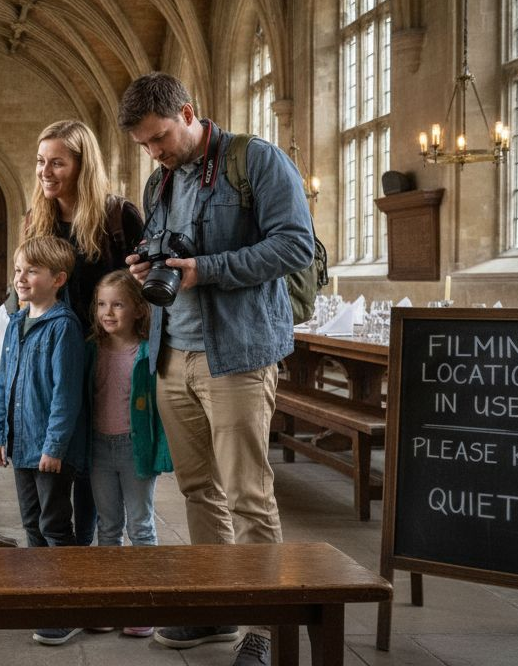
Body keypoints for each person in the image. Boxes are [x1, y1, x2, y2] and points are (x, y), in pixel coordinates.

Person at [119, 72, 315, 666]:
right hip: (172, 355)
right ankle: (215, 608)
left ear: (188, 111)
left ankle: (262, 628)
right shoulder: (159, 184)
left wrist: (206, 269)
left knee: (248, 495)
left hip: (238, 355)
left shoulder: (253, 160)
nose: (155, 153)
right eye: (145, 146)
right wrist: (145, 266)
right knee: (198, 490)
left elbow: (294, 246)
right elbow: (167, 253)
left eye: (160, 138)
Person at [25, 119, 146, 546]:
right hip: (54, 355)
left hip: (105, 357)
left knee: (96, 457)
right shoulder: (36, 219)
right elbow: (23, 286)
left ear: (82, 165)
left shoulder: (119, 215)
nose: (45, 171)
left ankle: (91, 546)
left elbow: (143, 288)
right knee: (57, 455)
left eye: (56, 162)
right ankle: (63, 554)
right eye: (41, 162)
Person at [0, 235, 88, 647]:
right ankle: (41, 593)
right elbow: (3, 383)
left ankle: (66, 608)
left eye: (32, 270)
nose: (21, 278)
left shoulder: (63, 328)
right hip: (21, 444)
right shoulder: (16, 323)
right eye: (18, 270)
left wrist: (54, 447)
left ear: (58, 278)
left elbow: (66, 396)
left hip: (48, 450)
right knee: (31, 523)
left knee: (54, 524)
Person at [85, 270, 172, 639]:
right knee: (107, 528)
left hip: (135, 448)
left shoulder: (149, 350)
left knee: (140, 526)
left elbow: (162, 407)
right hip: (99, 448)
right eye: (102, 304)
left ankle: (144, 604)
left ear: (138, 309)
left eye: (118, 304)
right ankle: (111, 602)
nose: (108, 312)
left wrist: (161, 451)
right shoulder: (92, 348)